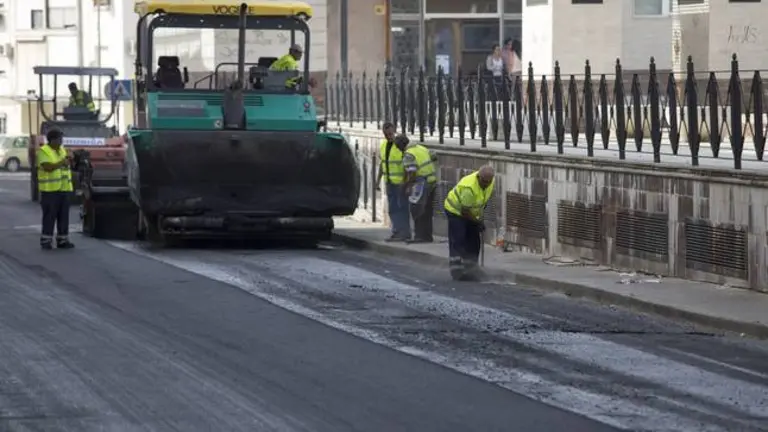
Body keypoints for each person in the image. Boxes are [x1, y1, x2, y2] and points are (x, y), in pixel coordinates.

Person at [443, 165, 495, 280]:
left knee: (474, 239)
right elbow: (464, 212)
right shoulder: (469, 187)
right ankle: (457, 271)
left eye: (488, 182)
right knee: (459, 238)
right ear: (478, 177)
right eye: (484, 181)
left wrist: (479, 219)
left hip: (470, 213)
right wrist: (477, 222)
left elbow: (482, 201)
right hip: (455, 211)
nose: (486, 184)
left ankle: (471, 267)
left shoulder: (490, 182)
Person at [37, 128, 75, 250]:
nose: (61, 141)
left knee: (63, 216)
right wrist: (62, 163)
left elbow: (66, 165)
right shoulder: (44, 151)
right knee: (49, 216)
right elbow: (47, 167)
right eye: (59, 139)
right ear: (52, 140)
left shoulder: (62, 150)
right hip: (50, 191)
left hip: (64, 189)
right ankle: (46, 241)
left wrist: (71, 159)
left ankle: (62, 240)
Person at [398, 134, 437, 244]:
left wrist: (408, 186)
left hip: (421, 183)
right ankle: (427, 236)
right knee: (428, 210)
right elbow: (434, 156)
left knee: (417, 209)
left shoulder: (409, 154)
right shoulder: (421, 148)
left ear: (401, 146)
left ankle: (419, 236)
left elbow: (412, 172)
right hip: (432, 180)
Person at [376, 123, 410, 242]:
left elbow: (407, 165)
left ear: (394, 131)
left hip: (400, 183)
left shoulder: (400, 145)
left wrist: (405, 183)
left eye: (390, 134)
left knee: (402, 208)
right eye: (386, 134)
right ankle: (396, 232)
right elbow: (382, 163)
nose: (388, 136)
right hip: (389, 182)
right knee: (393, 209)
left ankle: (404, 233)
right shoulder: (383, 145)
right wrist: (377, 180)